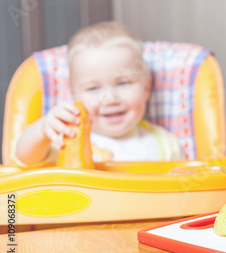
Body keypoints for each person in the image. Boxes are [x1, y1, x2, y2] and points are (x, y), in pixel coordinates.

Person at [14, 21, 183, 166]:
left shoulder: (166, 144)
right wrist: (43, 129)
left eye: (123, 83)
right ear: (74, 94)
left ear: (146, 88)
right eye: (93, 88)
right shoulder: (68, 138)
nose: (109, 99)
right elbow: (25, 159)